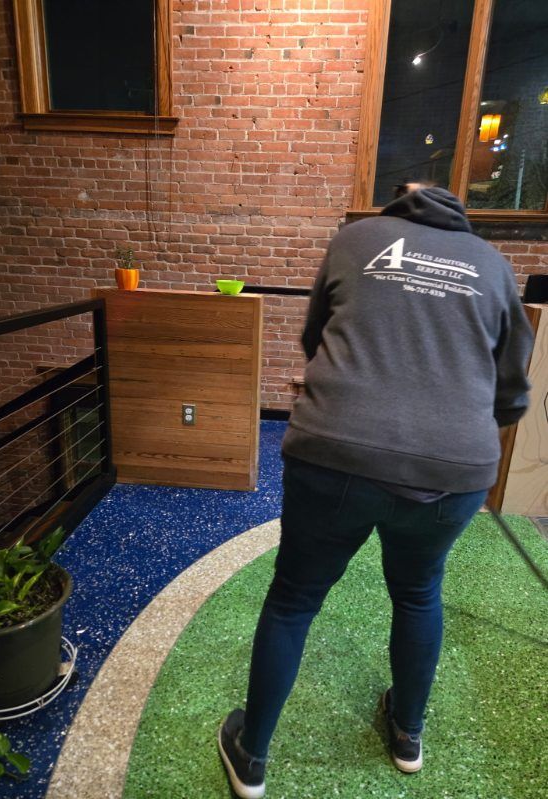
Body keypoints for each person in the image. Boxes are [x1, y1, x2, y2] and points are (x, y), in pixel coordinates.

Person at [217, 184, 534, 798]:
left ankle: (252, 756)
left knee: (293, 598)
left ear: (396, 207)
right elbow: (513, 390)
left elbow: (316, 340)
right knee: (418, 592)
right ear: (461, 215)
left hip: (335, 451)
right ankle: (407, 735)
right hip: (453, 470)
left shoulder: (356, 240)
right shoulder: (493, 266)